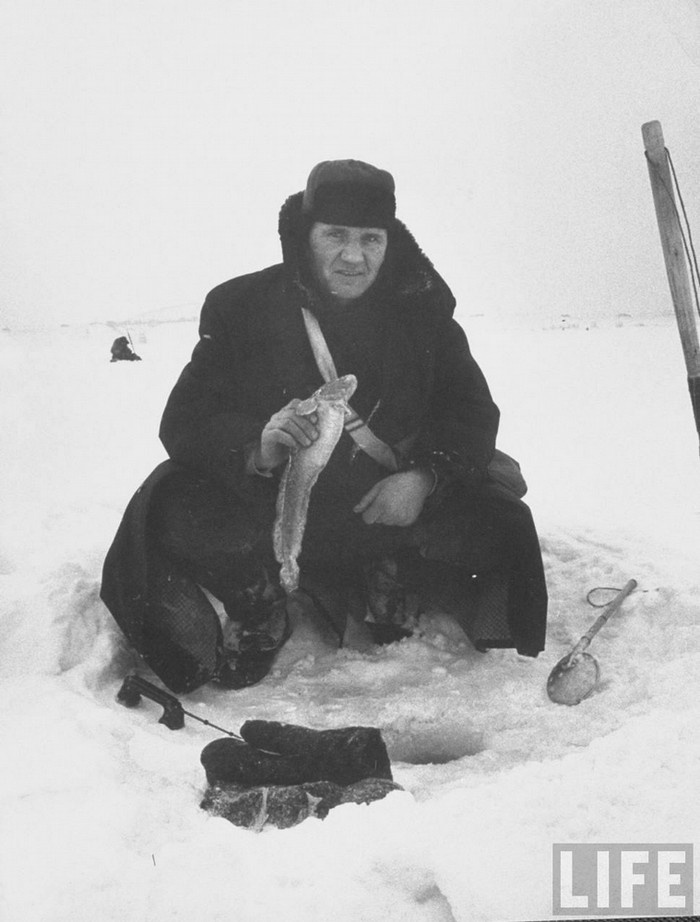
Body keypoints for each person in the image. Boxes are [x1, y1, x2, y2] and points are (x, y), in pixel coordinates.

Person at [100, 159, 547, 694]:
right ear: (304, 236)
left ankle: (392, 578)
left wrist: (424, 481)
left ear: (390, 240)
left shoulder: (424, 313)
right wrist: (255, 447)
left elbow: (470, 413)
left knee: (501, 520)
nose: (354, 256)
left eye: (370, 238)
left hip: (385, 510)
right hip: (273, 513)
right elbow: (186, 419)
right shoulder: (239, 307)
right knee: (168, 505)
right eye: (335, 235)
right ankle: (257, 599)